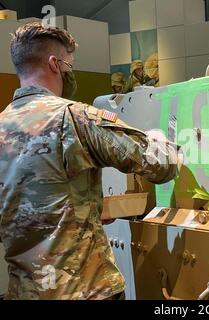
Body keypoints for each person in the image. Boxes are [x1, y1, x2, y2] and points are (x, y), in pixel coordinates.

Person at [0, 22, 178, 300]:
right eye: (69, 64)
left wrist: (84, 210)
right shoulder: (74, 119)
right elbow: (161, 165)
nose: (71, 72)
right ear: (54, 64)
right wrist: (157, 138)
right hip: (86, 290)